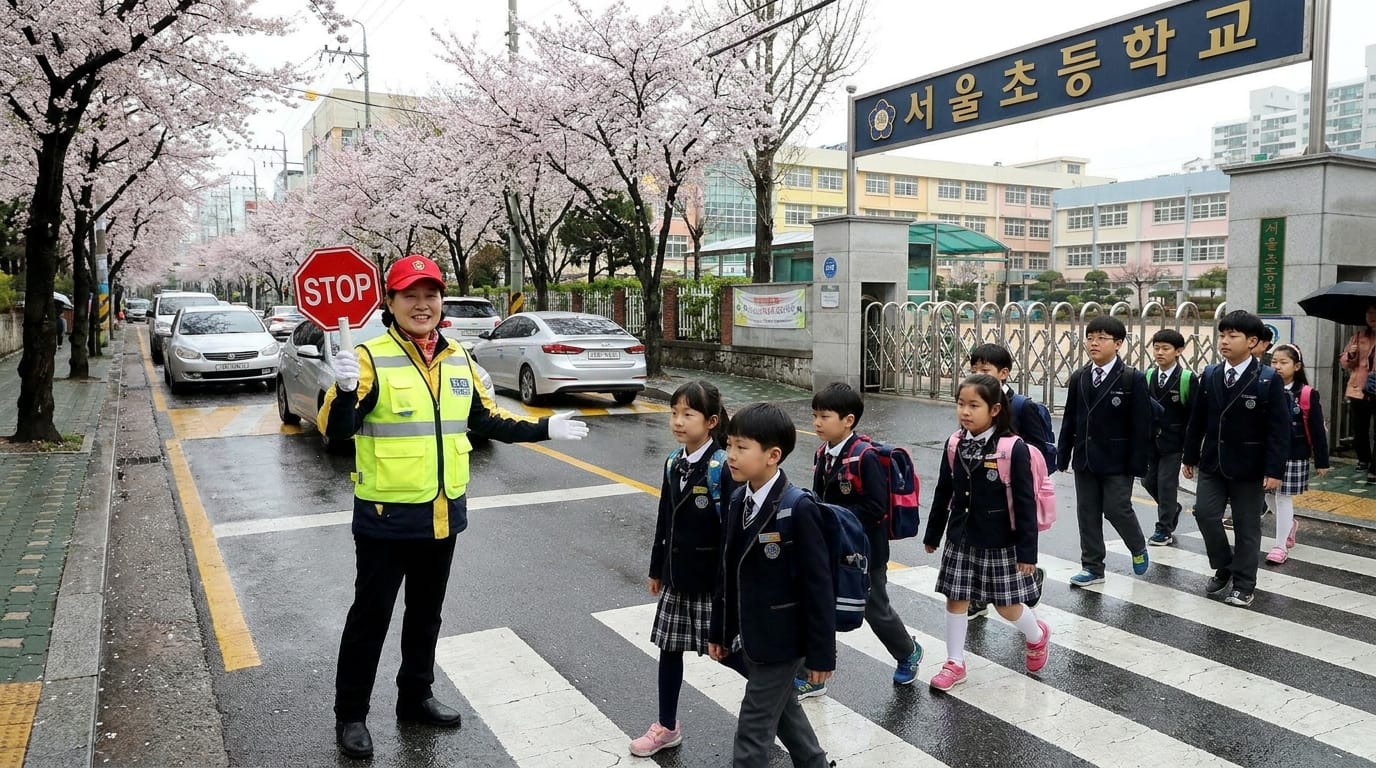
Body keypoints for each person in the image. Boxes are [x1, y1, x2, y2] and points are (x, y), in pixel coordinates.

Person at [320, 254, 590, 760]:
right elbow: (337, 431)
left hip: (442, 514)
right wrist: (345, 390)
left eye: (430, 295)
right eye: (410, 295)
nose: (422, 305)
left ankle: (414, 696)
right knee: (370, 619)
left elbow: (486, 421)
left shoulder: (459, 358)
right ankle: (350, 714)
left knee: (426, 616)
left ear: (441, 301)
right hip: (385, 519)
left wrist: (543, 428)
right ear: (391, 302)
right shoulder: (369, 357)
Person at [708, 402, 833, 768]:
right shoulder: (736, 499)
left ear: (772, 456)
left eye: (741, 447)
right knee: (783, 711)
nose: (730, 455)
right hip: (751, 635)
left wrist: (822, 654)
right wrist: (720, 629)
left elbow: (818, 586)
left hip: (784, 640)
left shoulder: (797, 508)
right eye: (728, 444)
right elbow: (726, 571)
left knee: (753, 728)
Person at [795, 382, 921, 699]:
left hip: (866, 552)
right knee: (818, 607)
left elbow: (876, 508)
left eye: (824, 416)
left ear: (848, 420)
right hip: (830, 548)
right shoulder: (822, 453)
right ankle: (812, 674)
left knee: (873, 608)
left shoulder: (864, 458)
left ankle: (907, 651)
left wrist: (835, 519)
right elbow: (820, 498)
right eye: (814, 416)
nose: (817, 423)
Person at [924, 375, 1049, 691]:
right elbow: (944, 490)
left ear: (994, 410)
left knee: (1006, 606)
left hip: (999, 541)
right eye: (960, 404)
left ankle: (1036, 635)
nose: (964, 412)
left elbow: (1024, 504)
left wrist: (1027, 554)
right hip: (962, 536)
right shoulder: (955, 443)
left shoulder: (1012, 449)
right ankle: (955, 662)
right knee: (956, 599)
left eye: (973, 405)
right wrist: (933, 533)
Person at [632, 381, 733, 758]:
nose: (677, 421)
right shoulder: (674, 461)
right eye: (674, 412)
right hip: (678, 578)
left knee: (732, 654)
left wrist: (726, 585)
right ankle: (667, 725)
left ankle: (777, 701)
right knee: (669, 649)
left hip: (710, 583)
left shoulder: (723, 466)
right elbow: (664, 519)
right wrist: (657, 568)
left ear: (710, 422)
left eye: (687, 414)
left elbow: (730, 534)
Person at [1182, 310, 1289, 609]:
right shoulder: (1211, 374)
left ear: (1252, 341)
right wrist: (1189, 455)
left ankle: (1243, 584)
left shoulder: (1267, 380)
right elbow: (1197, 420)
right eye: (1222, 335)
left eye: (1233, 336)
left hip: (1249, 466)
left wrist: (1274, 469)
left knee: (1246, 526)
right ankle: (1224, 564)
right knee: (1204, 513)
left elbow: (1279, 430)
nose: (1225, 341)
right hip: (1213, 462)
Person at [1056, 316, 1152, 586]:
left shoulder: (1132, 379)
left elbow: (1141, 426)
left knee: (1116, 508)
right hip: (1085, 458)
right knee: (1087, 513)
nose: (1093, 343)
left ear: (1118, 344)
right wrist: (1062, 455)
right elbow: (1071, 419)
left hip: (1118, 461)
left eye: (1101, 338)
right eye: (1090, 337)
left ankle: (1137, 546)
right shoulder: (1080, 377)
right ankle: (1093, 567)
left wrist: (1137, 464)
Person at [966, 343, 1050, 615]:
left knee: (1009, 549)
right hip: (981, 487)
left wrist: (1017, 468)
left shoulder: (1021, 406)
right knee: (977, 542)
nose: (978, 374)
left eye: (985, 369)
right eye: (973, 369)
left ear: (1003, 373)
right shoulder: (972, 402)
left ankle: (1030, 578)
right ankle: (977, 599)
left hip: (1012, 489)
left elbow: (1038, 450)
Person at [1265, 343, 1330, 564]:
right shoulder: (1264, 386)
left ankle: (1280, 546)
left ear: (1297, 366)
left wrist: (1322, 460)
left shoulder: (1306, 393)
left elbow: (1317, 429)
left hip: (1294, 453)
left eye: (1283, 362)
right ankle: (1290, 524)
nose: (1277, 366)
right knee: (1267, 494)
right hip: (1268, 452)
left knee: (1283, 497)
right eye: (1274, 361)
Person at [1143, 330, 1192, 546]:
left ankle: (1164, 529)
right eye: (1156, 348)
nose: (1159, 352)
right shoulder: (1148, 376)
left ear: (1178, 351)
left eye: (1165, 348)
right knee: (1147, 481)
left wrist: (1191, 452)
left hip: (1174, 442)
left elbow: (1193, 417)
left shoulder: (1186, 379)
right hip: (1151, 442)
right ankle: (1172, 509)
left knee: (1166, 484)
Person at [1339, 304, 1376, 478]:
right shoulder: (1358, 337)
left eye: (1375, 313)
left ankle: (1374, 468)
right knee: (1360, 428)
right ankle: (1363, 459)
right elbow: (1345, 363)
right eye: (1369, 312)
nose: (1372, 316)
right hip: (1359, 389)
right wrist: (1350, 355)